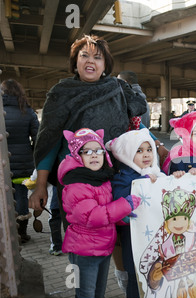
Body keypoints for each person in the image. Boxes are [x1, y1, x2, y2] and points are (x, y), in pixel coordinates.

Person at [28, 35, 148, 225]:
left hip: (114, 175)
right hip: (76, 182)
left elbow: (133, 126)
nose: (90, 61)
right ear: (76, 62)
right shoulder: (61, 93)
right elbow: (49, 141)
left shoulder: (118, 90)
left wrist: (156, 143)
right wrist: (41, 185)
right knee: (82, 237)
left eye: (97, 57)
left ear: (105, 66)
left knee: (117, 230)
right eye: (84, 55)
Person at [57, 128, 141, 298]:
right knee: (86, 294)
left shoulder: (101, 179)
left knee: (98, 293)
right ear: (77, 156)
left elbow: (107, 211)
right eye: (87, 151)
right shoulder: (77, 184)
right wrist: (125, 205)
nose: (94, 155)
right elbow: (92, 216)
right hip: (84, 250)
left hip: (102, 247)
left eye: (98, 150)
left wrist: (121, 217)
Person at [106, 128, 165, 298]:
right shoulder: (122, 178)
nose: (146, 154)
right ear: (126, 154)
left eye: (149, 150)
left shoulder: (158, 174)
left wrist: (175, 178)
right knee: (137, 276)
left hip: (156, 239)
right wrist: (144, 185)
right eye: (139, 151)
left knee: (158, 276)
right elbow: (120, 201)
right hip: (133, 239)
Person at [2, 79, 40, 243]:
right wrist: (30, 152)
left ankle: (6, 233)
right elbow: (38, 138)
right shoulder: (27, 111)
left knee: (3, 195)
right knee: (22, 194)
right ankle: (22, 233)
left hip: (3, 162)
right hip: (24, 161)